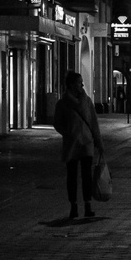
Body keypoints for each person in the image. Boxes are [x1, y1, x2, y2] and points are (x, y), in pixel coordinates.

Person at [53, 71, 104, 220]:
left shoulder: (87, 101)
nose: (82, 85)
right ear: (70, 85)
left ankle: (88, 205)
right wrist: (68, 133)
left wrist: (98, 142)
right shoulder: (63, 103)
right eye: (78, 82)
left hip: (86, 143)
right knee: (72, 176)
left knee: (86, 175)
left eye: (82, 82)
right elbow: (57, 123)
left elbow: (93, 123)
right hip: (72, 144)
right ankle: (73, 206)